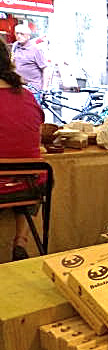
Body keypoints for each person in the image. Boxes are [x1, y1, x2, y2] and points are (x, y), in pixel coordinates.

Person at [0, 37, 45, 260]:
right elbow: (37, 130)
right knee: (27, 176)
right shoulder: (26, 95)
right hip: (29, 185)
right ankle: (21, 240)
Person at [11, 23, 48, 100]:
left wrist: (44, 90)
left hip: (33, 91)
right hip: (18, 88)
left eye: (22, 34)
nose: (19, 36)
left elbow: (45, 69)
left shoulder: (36, 49)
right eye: (17, 33)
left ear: (28, 35)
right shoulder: (15, 45)